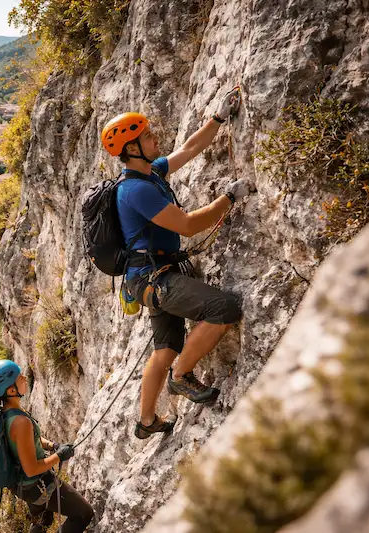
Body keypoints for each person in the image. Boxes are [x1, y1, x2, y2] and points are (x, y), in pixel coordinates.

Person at [100, 88, 252, 440]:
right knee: (224, 307)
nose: (156, 138)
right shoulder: (135, 190)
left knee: (165, 348)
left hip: (149, 277)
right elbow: (187, 225)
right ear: (132, 149)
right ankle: (182, 377)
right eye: (147, 136)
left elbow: (189, 149)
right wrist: (230, 196)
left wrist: (218, 118)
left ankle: (146, 420)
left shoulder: (150, 172)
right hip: (155, 280)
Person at [0, 360, 95, 533]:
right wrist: (59, 456)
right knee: (83, 513)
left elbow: (28, 439)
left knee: (43, 521)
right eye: (20, 378)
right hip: (37, 483)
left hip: (23, 486)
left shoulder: (5, 413)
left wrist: (52, 445)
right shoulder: (20, 422)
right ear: (11, 390)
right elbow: (32, 469)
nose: (25, 377)